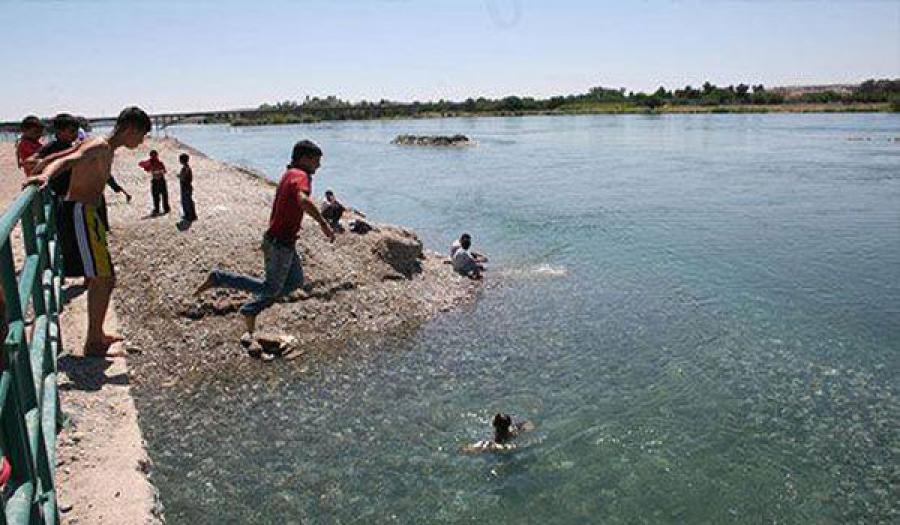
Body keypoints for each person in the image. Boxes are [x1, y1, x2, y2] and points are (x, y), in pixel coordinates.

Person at [24, 106, 152, 356]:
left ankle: (97, 335)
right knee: (102, 277)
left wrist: (39, 165)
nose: (141, 141)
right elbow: (68, 160)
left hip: (88, 215)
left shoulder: (100, 144)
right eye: (141, 135)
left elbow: (69, 151)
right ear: (130, 129)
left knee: (104, 277)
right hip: (81, 213)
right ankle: (93, 342)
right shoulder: (100, 147)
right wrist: (44, 177)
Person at [194, 140, 335, 339]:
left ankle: (251, 309)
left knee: (295, 282)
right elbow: (303, 200)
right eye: (316, 161)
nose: (318, 166)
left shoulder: (289, 173)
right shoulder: (302, 176)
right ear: (304, 159)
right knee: (271, 287)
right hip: (279, 244)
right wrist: (323, 223)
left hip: (282, 241)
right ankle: (220, 278)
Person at [31, 113, 132, 230]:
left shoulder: (75, 146)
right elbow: (35, 160)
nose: (75, 135)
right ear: (59, 131)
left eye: (76, 131)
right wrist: (45, 168)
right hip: (67, 197)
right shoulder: (51, 147)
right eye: (71, 131)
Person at [462, 413, 534, 453]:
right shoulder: (514, 431)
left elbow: (465, 450)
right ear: (509, 424)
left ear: (494, 425)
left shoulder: (489, 444)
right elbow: (530, 424)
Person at [139, 150, 169, 215]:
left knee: (161, 196)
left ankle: (163, 209)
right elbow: (141, 164)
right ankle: (159, 209)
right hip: (157, 181)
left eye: (153, 155)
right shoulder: (151, 163)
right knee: (157, 196)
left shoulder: (159, 163)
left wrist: (157, 171)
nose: (153, 157)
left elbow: (164, 171)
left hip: (160, 180)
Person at [177, 153, 197, 222]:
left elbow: (184, 178)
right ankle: (191, 215)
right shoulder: (186, 168)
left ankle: (189, 216)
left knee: (186, 202)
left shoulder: (186, 168)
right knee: (188, 201)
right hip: (186, 187)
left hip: (186, 187)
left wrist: (179, 176)